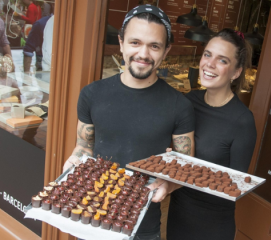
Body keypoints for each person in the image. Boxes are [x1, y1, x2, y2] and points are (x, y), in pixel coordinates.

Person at [62, 5, 195, 240]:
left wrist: (167, 185)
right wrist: (75, 162)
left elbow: (185, 166)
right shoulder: (92, 94)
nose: (143, 54)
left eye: (154, 46)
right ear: (121, 43)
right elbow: (84, 146)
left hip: (143, 226)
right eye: (135, 42)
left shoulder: (179, 106)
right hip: (92, 216)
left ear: (166, 51)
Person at [166, 29, 257, 240]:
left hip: (212, 223)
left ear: (236, 72)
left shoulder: (242, 120)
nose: (210, 64)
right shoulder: (188, 101)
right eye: (207, 54)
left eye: (222, 60)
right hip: (178, 213)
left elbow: (235, 186)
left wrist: (186, 168)